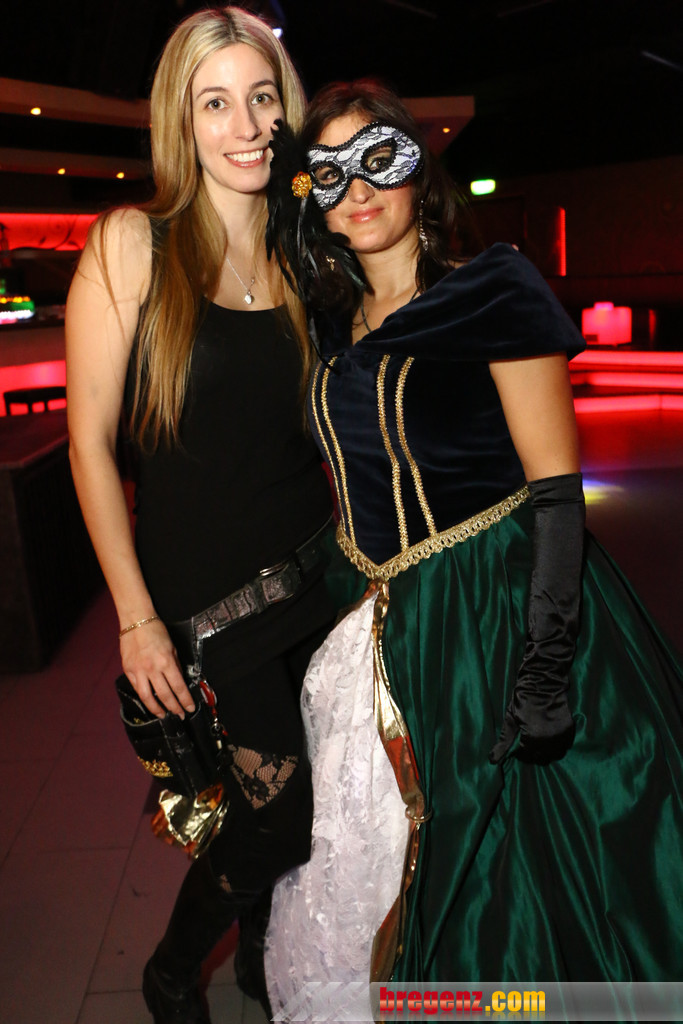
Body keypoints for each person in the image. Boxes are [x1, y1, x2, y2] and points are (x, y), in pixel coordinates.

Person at [263, 80, 683, 1018]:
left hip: (496, 616)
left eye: (378, 161)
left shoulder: (491, 291)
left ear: (420, 172)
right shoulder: (328, 320)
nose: (357, 191)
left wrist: (544, 661)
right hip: (380, 630)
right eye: (329, 174)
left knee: (510, 889)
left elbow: (555, 492)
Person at [65, 8, 338, 1024]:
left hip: (318, 577)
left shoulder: (303, 248)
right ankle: (174, 970)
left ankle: (263, 951)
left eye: (262, 98)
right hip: (211, 608)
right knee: (280, 817)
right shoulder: (133, 244)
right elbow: (90, 447)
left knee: (320, 803)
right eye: (214, 103)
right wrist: (136, 620)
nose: (246, 126)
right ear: (179, 121)